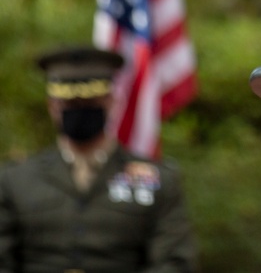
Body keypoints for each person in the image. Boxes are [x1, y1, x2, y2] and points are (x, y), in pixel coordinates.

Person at [0, 46, 197, 272]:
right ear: (52, 105)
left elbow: (174, 263)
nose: (79, 110)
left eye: (89, 102)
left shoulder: (160, 180)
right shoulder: (15, 180)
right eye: (70, 104)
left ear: (110, 100)